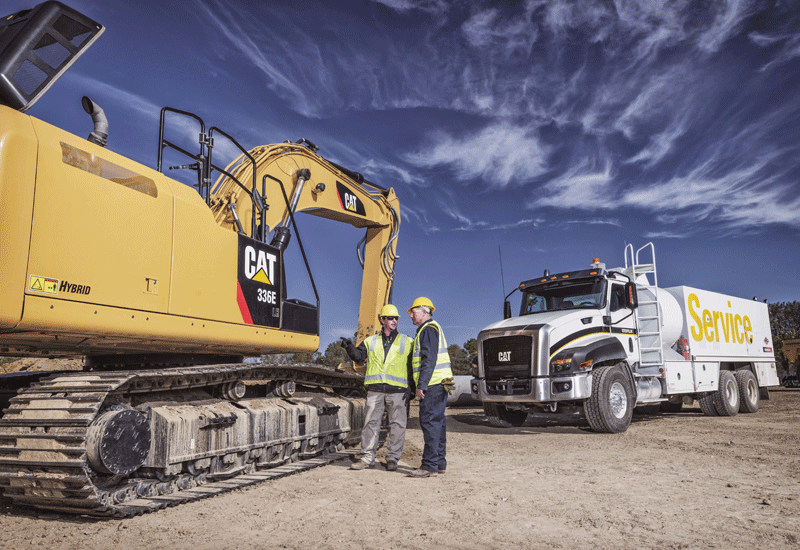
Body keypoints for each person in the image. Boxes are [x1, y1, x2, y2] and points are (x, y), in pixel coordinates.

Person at [340, 304, 412, 471]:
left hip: (398, 391)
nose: (394, 321)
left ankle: (393, 459)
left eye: (396, 318)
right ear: (382, 320)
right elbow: (359, 358)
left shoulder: (408, 341)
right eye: (390, 318)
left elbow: (413, 365)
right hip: (375, 389)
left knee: (397, 425)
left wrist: (412, 389)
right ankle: (366, 458)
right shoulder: (370, 341)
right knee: (371, 424)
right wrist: (350, 347)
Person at [406, 297, 452, 478]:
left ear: (424, 311)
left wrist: (421, 385)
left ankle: (429, 465)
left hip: (432, 384)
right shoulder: (431, 329)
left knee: (430, 423)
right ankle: (439, 463)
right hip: (438, 383)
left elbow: (429, 359)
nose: (410, 315)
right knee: (438, 424)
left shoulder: (428, 329)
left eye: (413, 311)